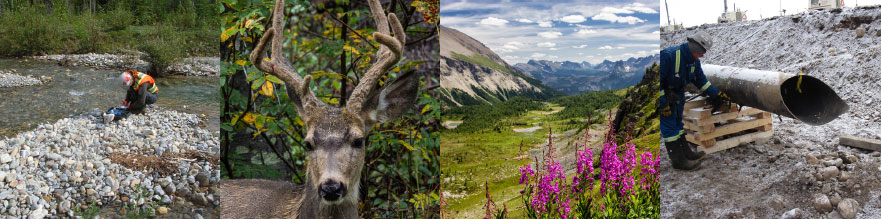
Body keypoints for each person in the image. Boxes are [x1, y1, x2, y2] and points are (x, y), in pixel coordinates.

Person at [659, 32, 729, 170]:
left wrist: (716, 95)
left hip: (677, 95)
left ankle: (686, 154)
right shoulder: (669, 56)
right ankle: (678, 162)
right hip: (665, 97)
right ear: (694, 47)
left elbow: (701, 81)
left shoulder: (693, 62)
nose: (702, 56)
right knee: (670, 128)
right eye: (701, 52)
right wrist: (662, 104)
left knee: (678, 124)